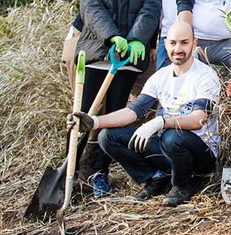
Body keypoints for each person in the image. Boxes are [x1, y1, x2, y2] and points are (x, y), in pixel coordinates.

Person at [68, 22, 221, 207]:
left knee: (172, 136)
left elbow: (199, 119)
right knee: (108, 136)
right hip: (168, 148)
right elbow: (133, 112)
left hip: (199, 154)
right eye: (173, 43)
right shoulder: (160, 77)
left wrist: (161, 122)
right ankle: (156, 178)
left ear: (194, 43)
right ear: (166, 44)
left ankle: (184, 184)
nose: (178, 49)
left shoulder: (205, 76)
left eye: (184, 43)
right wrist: (94, 121)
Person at [76, 0, 162, 197]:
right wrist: (112, 37)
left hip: (126, 61)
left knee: (114, 117)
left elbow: (150, 10)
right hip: (97, 56)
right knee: (84, 114)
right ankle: (73, 170)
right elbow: (91, 9)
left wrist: (137, 38)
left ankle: (101, 172)